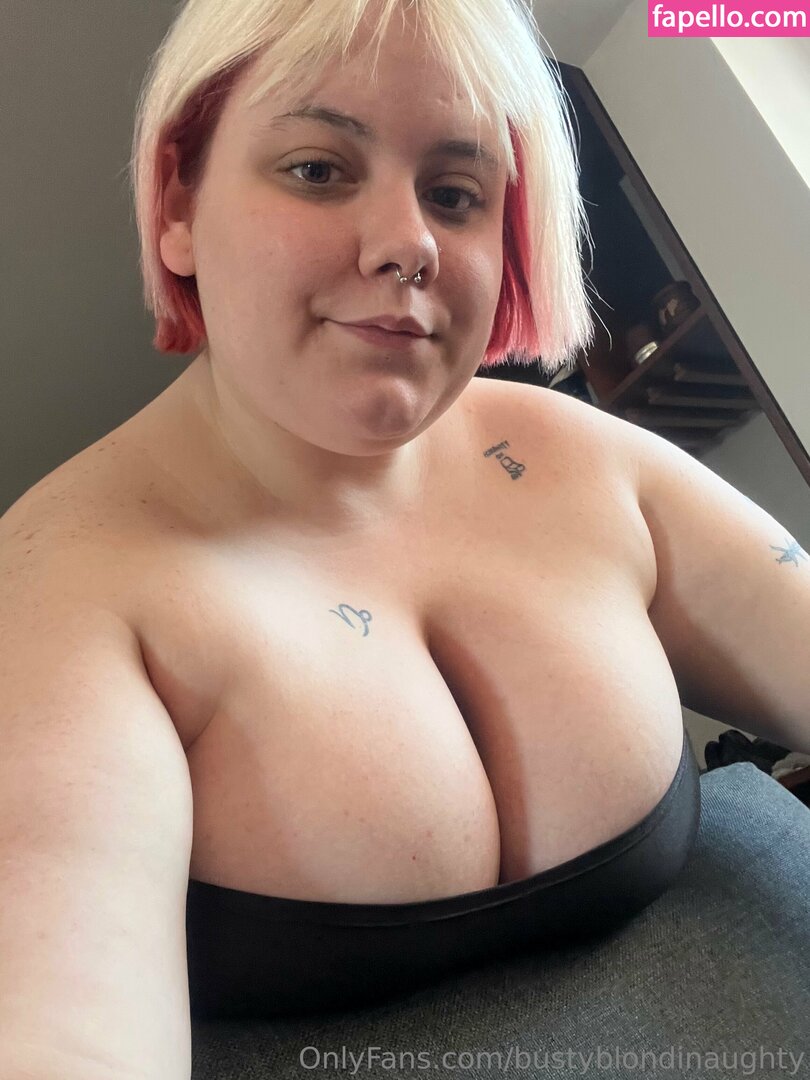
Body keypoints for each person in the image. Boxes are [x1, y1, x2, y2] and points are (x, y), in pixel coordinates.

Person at [13, 0, 810, 1074]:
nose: (408, 243)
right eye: (317, 169)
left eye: (456, 194)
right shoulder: (55, 600)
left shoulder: (582, 460)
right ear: (178, 205)